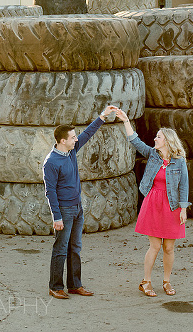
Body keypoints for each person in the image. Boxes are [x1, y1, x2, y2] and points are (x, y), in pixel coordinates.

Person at [43, 104, 119, 300]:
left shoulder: (71, 151)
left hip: (77, 208)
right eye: (72, 137)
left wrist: (102, 116)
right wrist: (56, 217)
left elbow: (87, 134)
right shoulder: (51, 162)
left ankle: (75, 285)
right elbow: (50, 192)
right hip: (64, 211)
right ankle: (55, 286)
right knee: (61, 248)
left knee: (75, 247)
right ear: (62, 141)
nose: (76, 139)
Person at [115, 108, 190, 297]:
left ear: (167, 141)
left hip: (172, 206)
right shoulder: (153, 155)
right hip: (153, 203)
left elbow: (184, 185)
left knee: (169, 247)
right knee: (155, 246)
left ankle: (166, 281)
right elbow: (135, 141)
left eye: (158, 137)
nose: (155, 139)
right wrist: (125, 121)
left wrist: (183, 208)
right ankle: (146, 282)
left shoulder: (179, 161)